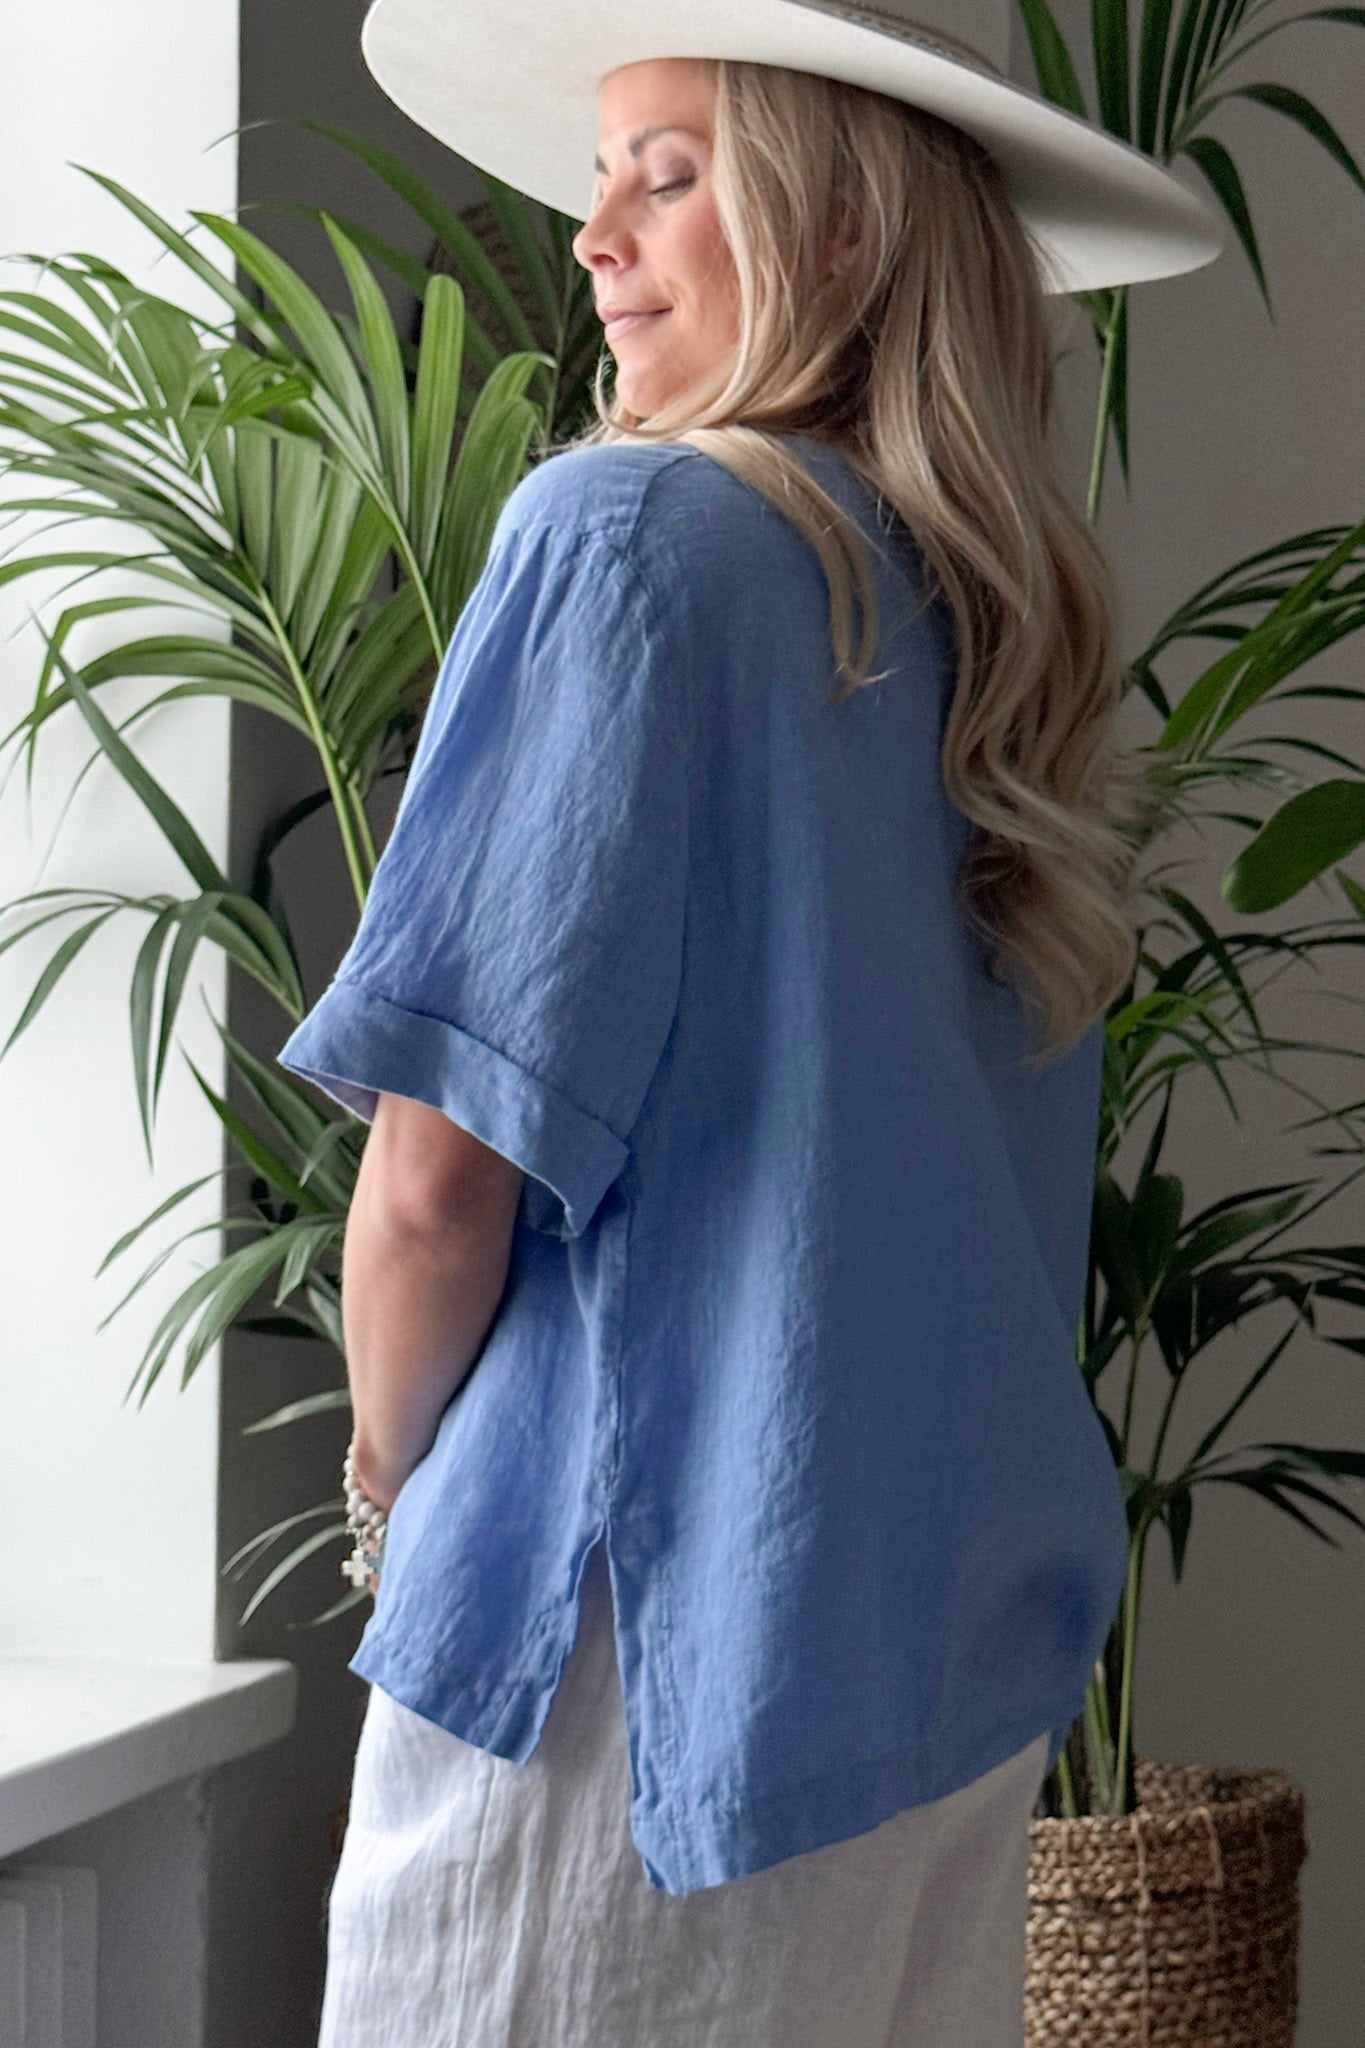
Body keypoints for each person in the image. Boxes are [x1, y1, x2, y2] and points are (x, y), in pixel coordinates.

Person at [276, 4, 1225, 2043]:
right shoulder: (994, 622)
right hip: (932, 1651)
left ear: (840, 228)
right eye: (600, 174)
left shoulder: (630, 537)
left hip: (631, 1665)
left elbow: (436, 1177)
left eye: (671, 172)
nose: (591, 236)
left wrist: (386, 1495)